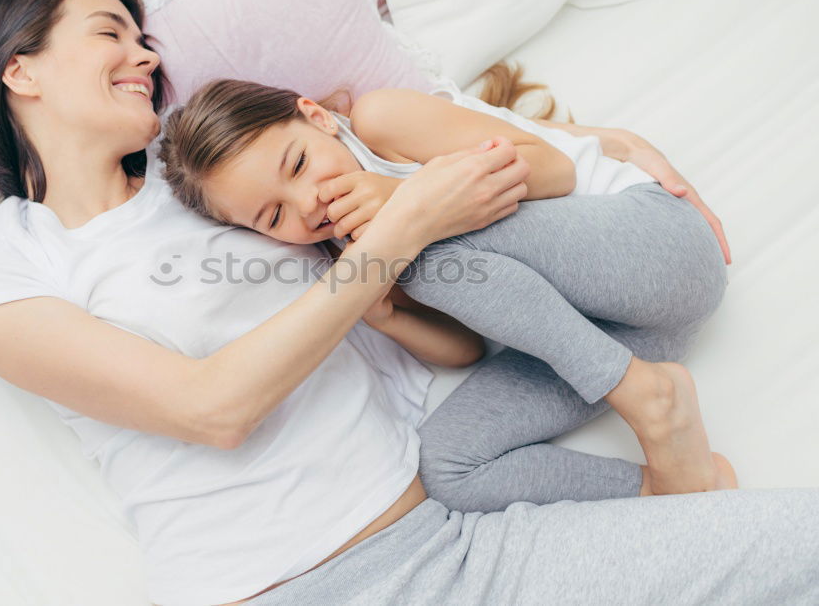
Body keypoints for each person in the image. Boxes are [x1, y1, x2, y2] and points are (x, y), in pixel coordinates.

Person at [0, 0, 819, 605]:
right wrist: (398, 234)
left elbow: (387, 136)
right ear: (21, 70)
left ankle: (674, 475)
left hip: (461, 550)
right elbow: (211, 409)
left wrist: (611, 150)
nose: (146, 57)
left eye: (143, 36)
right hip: (273, 587)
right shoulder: (6, 273)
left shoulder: (213, 179)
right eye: (108, 34)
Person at [157, 77, 733, 497]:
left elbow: (556, 168)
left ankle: (644, 398)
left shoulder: (383, 123)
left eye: (299, 163)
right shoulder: (352, 252)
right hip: (622, 337)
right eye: (274, 217)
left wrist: (404, 200)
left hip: (659, 250)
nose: (307, 202)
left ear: (316, 117)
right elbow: (471, 345)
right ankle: (673, 485)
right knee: (447, 467)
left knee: (422, 245)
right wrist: (388, 318)